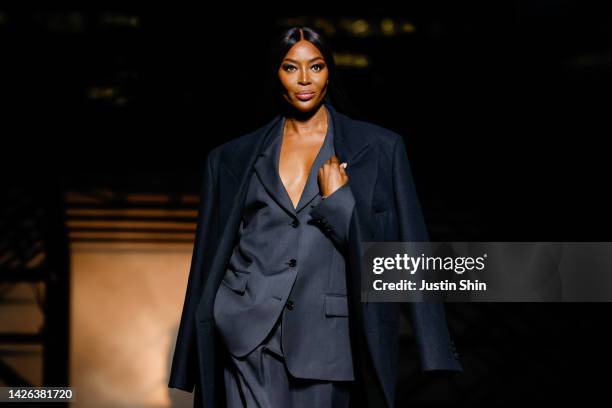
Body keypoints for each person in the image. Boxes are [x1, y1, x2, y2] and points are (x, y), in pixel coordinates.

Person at [168, 26, 462, 408]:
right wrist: (203, 334)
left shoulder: (378, 148)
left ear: (330, 71)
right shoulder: (230, 158)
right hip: (246, 332)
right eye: (291, 68)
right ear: (276, 73)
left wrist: (340, 203)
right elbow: (209, 253)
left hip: (327, 338)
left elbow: (401, 251)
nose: (304, 79)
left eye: (316, 66)